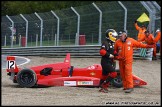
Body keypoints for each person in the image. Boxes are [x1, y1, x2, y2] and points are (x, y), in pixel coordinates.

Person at [99, 29, 121, 93]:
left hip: (108, 61)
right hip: (105, 62)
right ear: (110, 35)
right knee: (114, 73)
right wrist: (109, 55)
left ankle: (101, 86)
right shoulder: (105, 42)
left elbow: (112, 51)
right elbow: (102, 51)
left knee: (104, 75)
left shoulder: (111, 43)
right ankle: (104, 85)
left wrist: (117, 55)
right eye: (114, 36)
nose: (115, 37)